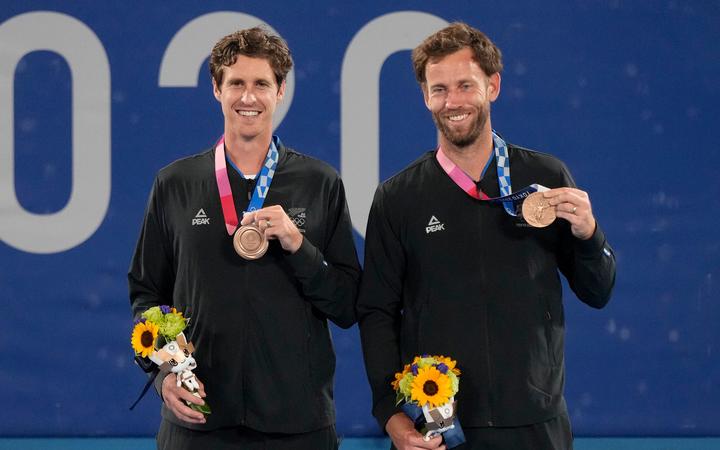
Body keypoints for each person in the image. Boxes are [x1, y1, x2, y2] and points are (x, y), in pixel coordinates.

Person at [357, 22, 616, 450]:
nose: (452, 101)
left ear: (492, 86)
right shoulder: (398, 197)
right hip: (440, 428)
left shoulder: (545, 179)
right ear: (425, 96)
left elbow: (598, 290)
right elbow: (376, 313)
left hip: (535, 423)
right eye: (439, 89)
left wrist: (589, 235)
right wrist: (390, 414)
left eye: (465, 85)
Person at [129, 27, 360, 450]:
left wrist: (298, 245)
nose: (248, 97)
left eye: (261, 84)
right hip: (198, 421)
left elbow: (347, 305)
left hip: (298, 425)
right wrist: (162, 376)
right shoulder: (175, 184)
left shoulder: (319, 182)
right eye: (236, 83)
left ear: (281, 91)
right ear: (216, 89)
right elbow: (146, 295)